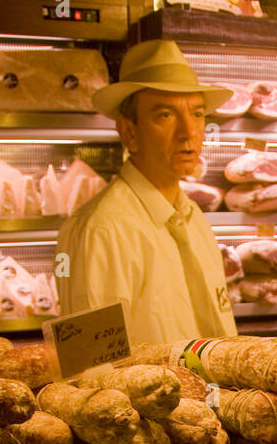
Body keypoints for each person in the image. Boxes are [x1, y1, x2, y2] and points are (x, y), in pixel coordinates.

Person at [58, 40, 237, 351]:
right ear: (129, 132)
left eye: (197, 114)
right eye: (165, 115)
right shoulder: (104, 230)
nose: (189, 132)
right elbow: (91, 362)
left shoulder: (193, 217)